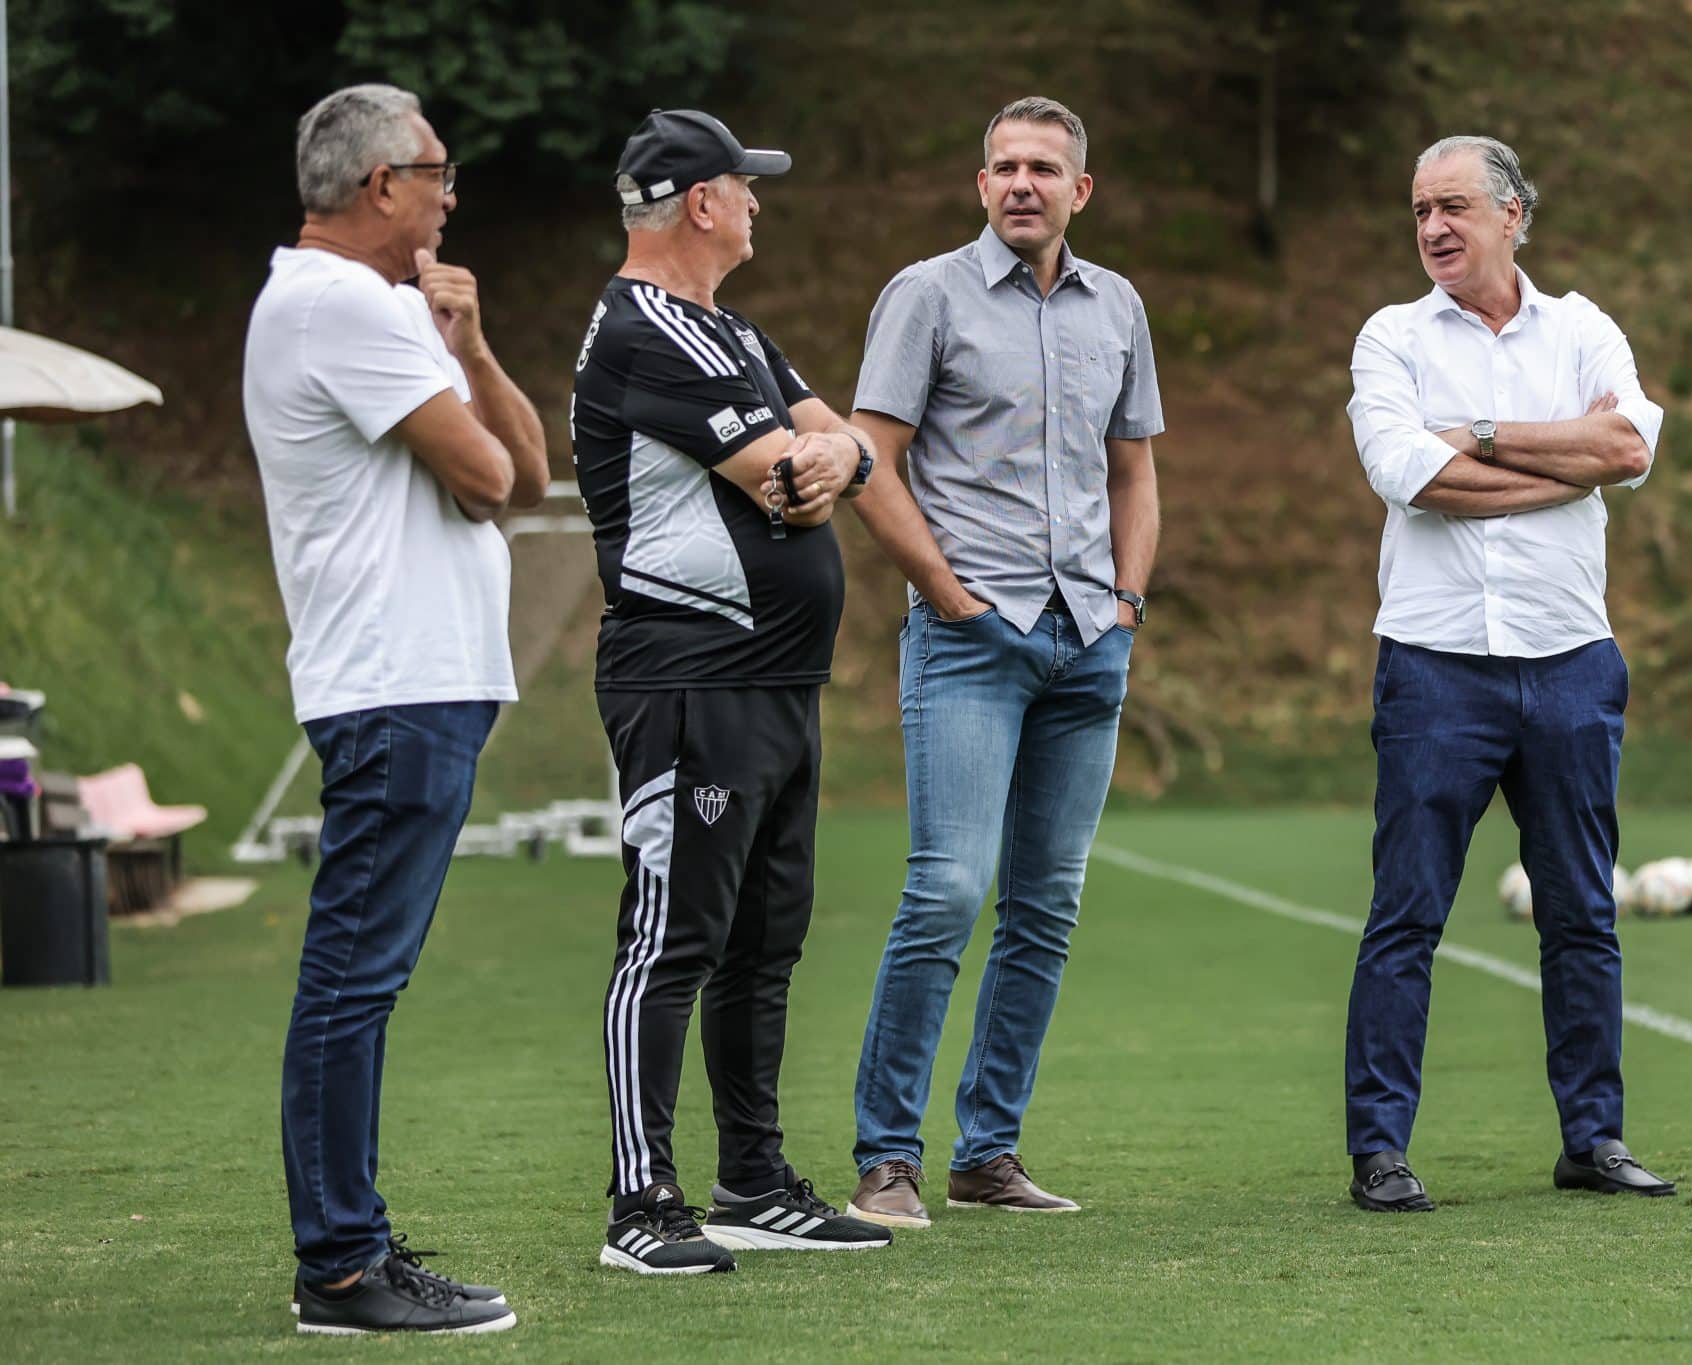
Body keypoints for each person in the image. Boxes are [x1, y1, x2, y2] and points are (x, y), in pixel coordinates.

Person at [243, 83, 548, 1333]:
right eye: (440, 170)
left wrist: (469, 348)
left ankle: (350, 1250)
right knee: (352, 983)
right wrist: (444, 368)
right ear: (380, 187)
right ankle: (342, 1267)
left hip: (416, 683)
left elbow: (531, 470)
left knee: (362, 978)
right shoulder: (336, 304)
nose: (451, 191)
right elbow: (483, 478)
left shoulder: (370, 309)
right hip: (393, 685)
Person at [571, 109, 891, 1274]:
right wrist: (820, 463)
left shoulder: (732, 331)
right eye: (744, 186)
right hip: (688, 679)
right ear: (698, 202)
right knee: (673, 938)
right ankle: (637, 1202)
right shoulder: (650, 330)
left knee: (764, 941)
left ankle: (750, 1179)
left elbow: (844, 448)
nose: (758, 202)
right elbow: (784, 473)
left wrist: (835, 458)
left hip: (773, 683)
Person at [844, 96, 1163, 1227]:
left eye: (1043, 168)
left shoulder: (1116, 306)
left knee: (1046, 906)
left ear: (1080, 190)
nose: (1021, 183)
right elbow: (867, 459)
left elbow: (1132, 473)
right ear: (979, 186)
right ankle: (887, 1158)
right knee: (944, 891)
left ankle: (988, 1153)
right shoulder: (923, 296)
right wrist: (942, 593)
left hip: (1087, 644)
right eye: (1002, 167)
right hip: (969, 640)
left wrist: (1124, 606)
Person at [1343, 134, 1673, 1212]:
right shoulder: (1389, 337)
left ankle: (1592, 1140)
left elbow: (1623, 451)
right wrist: (1555, 469)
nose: (1432, 227)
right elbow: (1414, 478)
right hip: (1433, 669)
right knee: (1407, 916)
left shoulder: (1581, 328)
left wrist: (1482, 433)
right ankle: (1379, 1152)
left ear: (1511, 214)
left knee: (1581, 912)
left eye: (1451, 206)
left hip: (1571, 660)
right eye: (1418, 210)